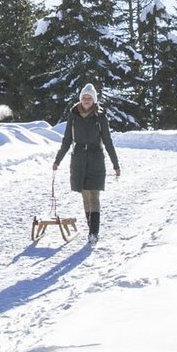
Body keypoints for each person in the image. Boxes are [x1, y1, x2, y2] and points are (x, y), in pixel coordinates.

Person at [53, 83, 121, 243]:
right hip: (78, 158)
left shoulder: (100, 116)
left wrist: (115, 164)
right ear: (81, 99)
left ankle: (93, 232)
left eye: (89, 98)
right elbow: (67, 139)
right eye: (84, 97)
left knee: (94, 194)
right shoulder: (73, 115)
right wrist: (57, 160)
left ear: (94, 100)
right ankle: (91, 228)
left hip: (96, 157)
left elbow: (108, 141)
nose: (86, 100)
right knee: (85, 195)